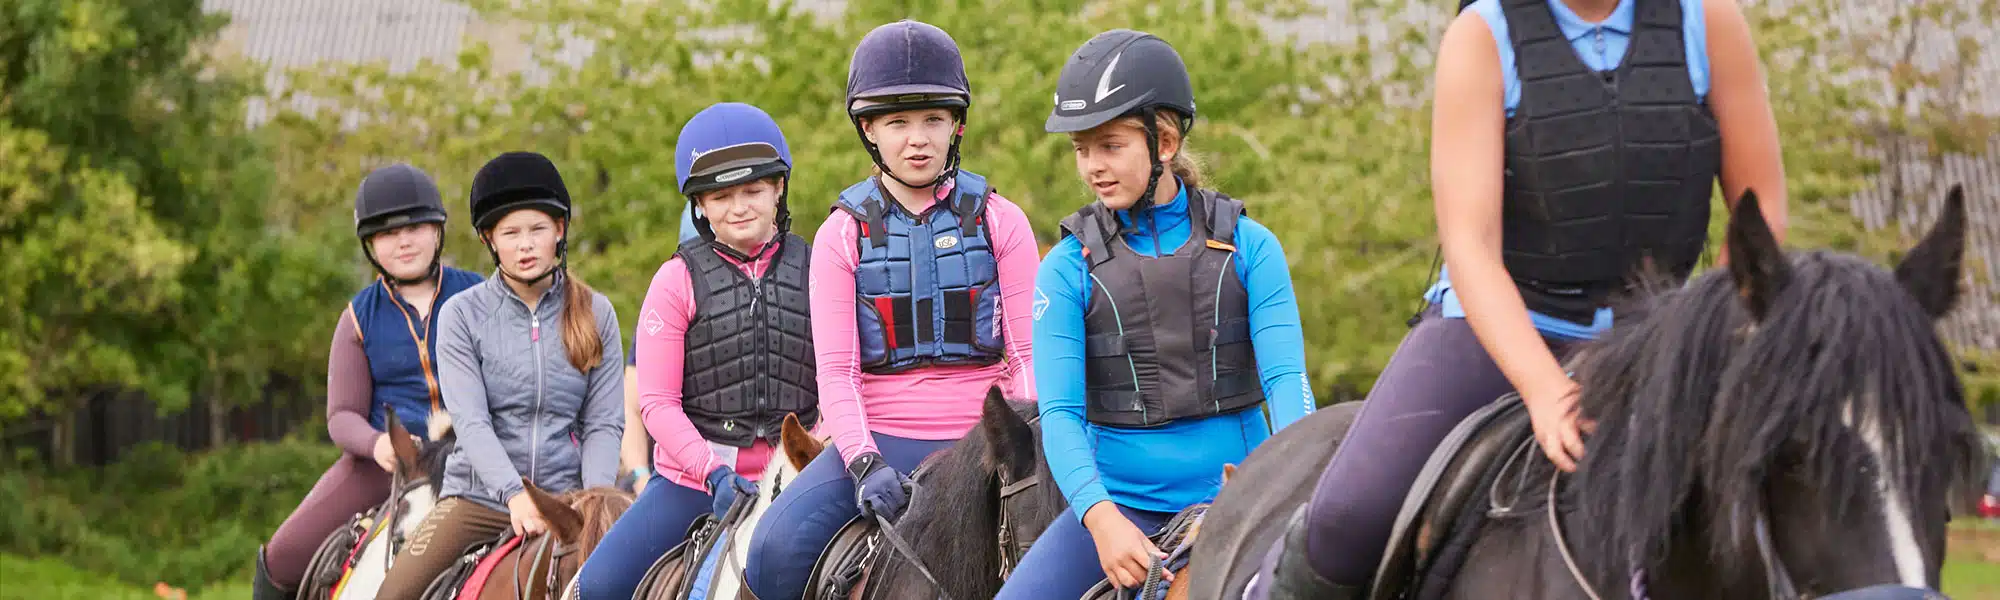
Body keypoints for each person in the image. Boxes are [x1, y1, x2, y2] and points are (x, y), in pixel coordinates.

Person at [1256, 0, 1790, 596]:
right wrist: (1545, 388)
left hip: (1664, 335)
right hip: (1500, 327)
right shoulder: (1483, 35)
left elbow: (1759, 208)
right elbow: (1471, 244)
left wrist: (1709, 337)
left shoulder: (1709, 22)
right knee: (1351, 518)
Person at [991, 29, 1317, 598]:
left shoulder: (1251, 247)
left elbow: (1288, 381)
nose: (1093, 165)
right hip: (1121, 510)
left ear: (1164, 141)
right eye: (1081, 149)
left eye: (1110, 145)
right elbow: (1062, 415)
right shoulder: (1067, 268)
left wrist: (1287, 491)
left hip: (1242, 498)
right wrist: (1101, 520)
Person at [741, 19, 1041, 600]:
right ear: (869, 130)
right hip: (881, 436)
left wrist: (1022, 441)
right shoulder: (839, 236)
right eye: (898, 123)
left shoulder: (1003, 221)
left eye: (933, 119)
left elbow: (1026, 353)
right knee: (772, 549)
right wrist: (861, 461)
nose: (918, 139)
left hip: (986, 439)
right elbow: (837, 371)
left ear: (956, 124)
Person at [574, 102, 820, 600]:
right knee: (598, 586)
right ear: (700, 207)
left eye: (753, 190)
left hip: (803, 471)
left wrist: (819, 448)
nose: (740, 207)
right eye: (722, 196)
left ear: (778, 190)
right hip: (696, 481)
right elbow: (656, 404)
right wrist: (712, 471)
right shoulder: (674, 280)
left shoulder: (820, 266)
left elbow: (843, 372)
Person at [375, 151, 627, 599]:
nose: (526, 245)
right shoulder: (461, 317)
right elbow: (471, 423)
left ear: (560, 231)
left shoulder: (597, 313)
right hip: (478, 499)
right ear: (490, 240)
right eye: (511, 233)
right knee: (392, 595)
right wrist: (514, 495)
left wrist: (592, 503)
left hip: (569, 502)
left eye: (538, 229)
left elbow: (603, 423)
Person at [252, 164, 484, 600]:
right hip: (389, 464)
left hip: (475, 456)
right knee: (283, 554)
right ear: (370, 245)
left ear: (438, 231)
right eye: (387, 233)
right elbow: (341, 416)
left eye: (415, 227)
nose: (403, 240)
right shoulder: (357, 318)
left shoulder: (480, 295)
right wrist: (378, 445)